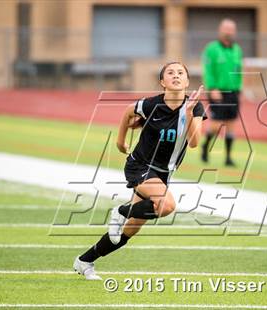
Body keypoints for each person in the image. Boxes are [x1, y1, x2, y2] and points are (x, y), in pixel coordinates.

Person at [73, 62, 206, 280]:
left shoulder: (195, 107)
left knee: (129, 232)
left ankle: (85, 261)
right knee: (166, 205)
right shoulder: (150, 104)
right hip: (140, 166)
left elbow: (193, 143)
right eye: (170, 73)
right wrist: (120, 141)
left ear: (187, 81)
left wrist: (190, 113)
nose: (176, 75)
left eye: (180, 73)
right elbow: (128, 112)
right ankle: (120, 211)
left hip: (163, 174)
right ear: (162, 82)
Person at [201, 18, 243, 166]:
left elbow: (239, 71)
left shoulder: (237, 49)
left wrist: (239, 89)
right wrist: (212, 88)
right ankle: (205, 147)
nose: (229, 32)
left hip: (233, 92)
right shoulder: (211, 49)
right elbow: (207, 70)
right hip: (217, 91)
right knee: (216, 125)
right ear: (220, 30)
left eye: (231, 29)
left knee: (231, 124)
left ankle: (228, 157)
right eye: (226, 29)